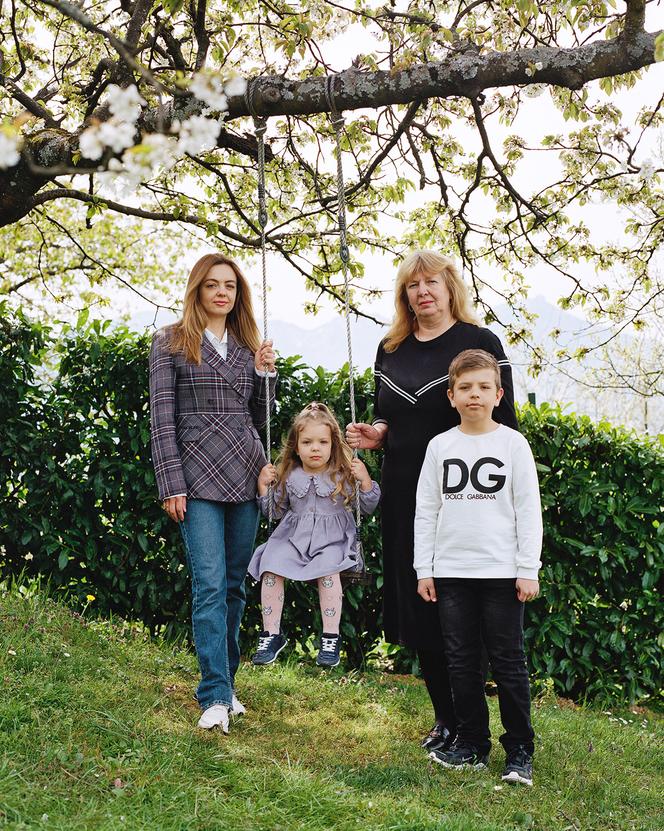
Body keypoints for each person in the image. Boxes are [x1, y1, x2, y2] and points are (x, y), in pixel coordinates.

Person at [346, 250, 518, 754]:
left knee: (463, 610)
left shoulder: (479, 341)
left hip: (466, 495)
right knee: (422, 608)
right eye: (413, 285)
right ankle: (446, 719)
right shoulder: (391, 347)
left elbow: (506, 425)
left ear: (449, 288)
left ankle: (473, 724)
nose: (423, 292)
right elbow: (391, 417)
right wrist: (376, 435)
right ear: (405, 295)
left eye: (432, 283)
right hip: (404, 493)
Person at [149, 252, 276, 733]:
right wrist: (171, 483)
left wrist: (266, 375)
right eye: (211, 285)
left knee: (233, 587)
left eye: (229, 285)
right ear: (197, 290)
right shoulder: (171, 342)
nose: (221, 292)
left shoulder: (247, 346)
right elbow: (162, 419)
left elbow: (259, 416)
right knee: (207, 584)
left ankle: (227, 684)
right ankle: (213, 695)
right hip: (195, 476)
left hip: (244, 473)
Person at [414, 349, 542, 785]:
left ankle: (519, 750)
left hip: (502, 573)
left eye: (484, 387)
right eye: (465, 388)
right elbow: (426, 509)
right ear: (451, 396)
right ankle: (471, 744)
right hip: (451, 573)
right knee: (462, 661)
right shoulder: (440, 446)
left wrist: (528, 568)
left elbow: (529, 510)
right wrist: (423, 568)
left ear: (498, 393)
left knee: (508, 661)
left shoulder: (512, 444)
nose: (474, 395)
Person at [247, 403, 380, 668]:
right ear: (296, 447)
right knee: (271, 566)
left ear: (333, 444)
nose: (315, 448)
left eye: (322, 442)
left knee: (329, 573)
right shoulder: (288, 474)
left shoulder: (344, 474)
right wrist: (264, 487)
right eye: (307, 442)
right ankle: (271, 634)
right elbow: (274, 512)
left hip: (332, 541)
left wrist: (364, 480)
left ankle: (330, 636)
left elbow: (366, 507)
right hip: (292, 539)